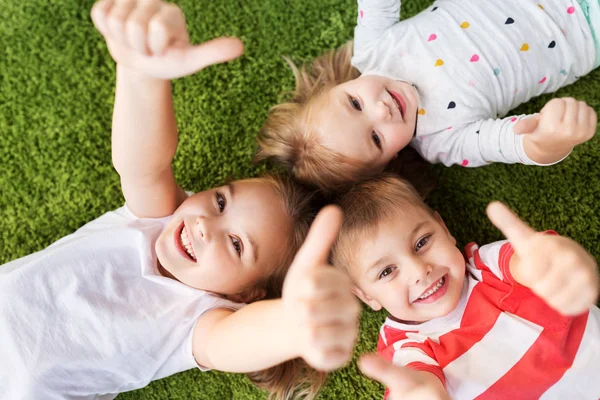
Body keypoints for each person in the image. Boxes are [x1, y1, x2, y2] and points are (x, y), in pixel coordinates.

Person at [0, 1, 361, 398]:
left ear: (245, 295)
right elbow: (144, 164)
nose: (207, 225)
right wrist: (141, 74)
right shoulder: (155, 219)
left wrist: (290, 325)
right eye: (221, 202)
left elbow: (231, 343)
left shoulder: (200, 319)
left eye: (237, 245)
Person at [257, 0, 599, 190]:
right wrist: (548, 140)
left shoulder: (372, 51)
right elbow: (509, 143)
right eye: (375, 138)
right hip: (585, 34)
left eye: (355, 103)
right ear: (389, 160)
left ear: (336, 85)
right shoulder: (442, 141)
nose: (382, 109)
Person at [330, 174, 600, 399]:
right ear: (367, 296)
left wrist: (550, 262)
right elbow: (418, 382)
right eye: (387, 271)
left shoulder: (487, 266)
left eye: (422, 242)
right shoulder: (406, 344)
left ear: (444, 229)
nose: (418, 271)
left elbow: (530, 262)